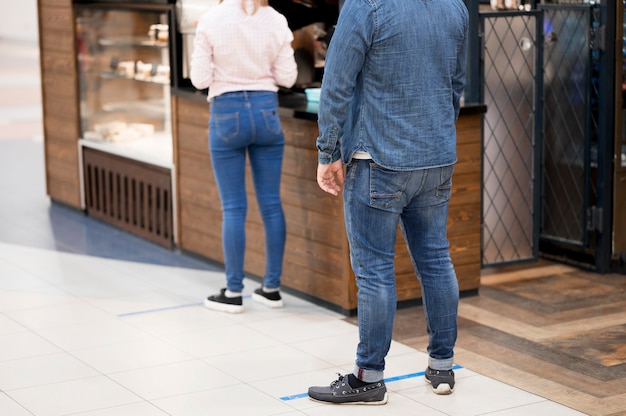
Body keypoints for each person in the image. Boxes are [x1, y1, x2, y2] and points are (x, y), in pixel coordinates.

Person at [307, 0, 469, 405]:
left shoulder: (366, 5)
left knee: (375, 271)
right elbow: (457, 84)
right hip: (437, 156)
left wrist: (328, 151)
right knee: (435, 258)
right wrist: (435, 134)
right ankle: (443, 367)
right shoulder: (454, 6)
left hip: (379, 157)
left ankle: (369, 377)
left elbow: (337, 82)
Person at [189, 0, 298, 313]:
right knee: (272, 204)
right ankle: (271, 289)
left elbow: (199, 79)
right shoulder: (276, 19)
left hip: (226, 113)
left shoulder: (211, 19)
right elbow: (288, 77)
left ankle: (234, 292)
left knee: (234, 207)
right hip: (266, 111)